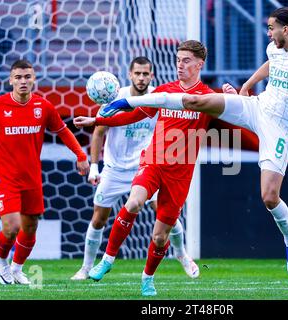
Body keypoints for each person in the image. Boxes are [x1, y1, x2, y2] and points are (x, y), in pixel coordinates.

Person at [99, 7, 288, 276]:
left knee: (269, 197)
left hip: (280, 127)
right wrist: (248, 84)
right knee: (196, 101)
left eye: (271, 28)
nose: (268, 33)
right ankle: (127, 101)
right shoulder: (275, 47)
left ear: (285, 29)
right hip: (256, 107)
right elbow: (272, 64)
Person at [74, 40, 219, 296]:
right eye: (177, 60)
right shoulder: (165, 91)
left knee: (160, 236)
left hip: (180, 174)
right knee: (133, 204)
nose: (179, 65)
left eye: (186, 61)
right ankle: (106, 260)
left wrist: (241, 96)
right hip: (152, 162)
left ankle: (148, 278)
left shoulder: (209, 98)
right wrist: (96, 119)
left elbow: (238, 115)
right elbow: (135, 114)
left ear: (199, 64)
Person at [0, 59, 89, 285]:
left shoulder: (44, 107)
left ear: (34, 80)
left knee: (30, 227)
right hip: (5, 177)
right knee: (12, 227)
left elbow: (63, 131)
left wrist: (80, 155)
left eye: (27, 77)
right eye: (18, 77)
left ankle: (17, 268)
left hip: (32, 177)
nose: (23, 81)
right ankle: (1, 262)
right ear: (10, 80)